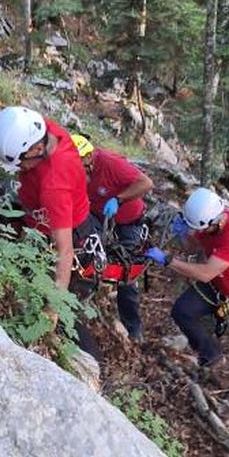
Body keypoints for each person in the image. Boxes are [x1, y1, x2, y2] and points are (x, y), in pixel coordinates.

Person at [145, 185, 229, 381]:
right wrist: (184, 234)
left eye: (200, 228)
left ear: (215, 222)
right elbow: (193, 247)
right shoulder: (209, 221)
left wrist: (168, 261)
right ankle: (211, 356)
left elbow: (205, 273)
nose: (199, 231)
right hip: (219, 285)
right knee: (182, 311)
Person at [0, 106, 105, 298]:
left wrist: (54, 308)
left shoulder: (54, 187)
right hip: (42, 214)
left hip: (66, 233)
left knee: (37, 292)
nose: (20, 167)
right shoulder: (44, 129)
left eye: (21, 161)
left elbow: (65, 252)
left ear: (38, 149)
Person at [71, 132, 153, 341]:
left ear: (88, 157)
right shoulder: (77, 170)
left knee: (127, 272)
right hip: (97, 215)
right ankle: (78, 303)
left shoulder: (110, 163)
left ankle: (133, 329)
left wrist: (119, 198)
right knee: (87, 254)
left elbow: (145, 183)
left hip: (128, 217)